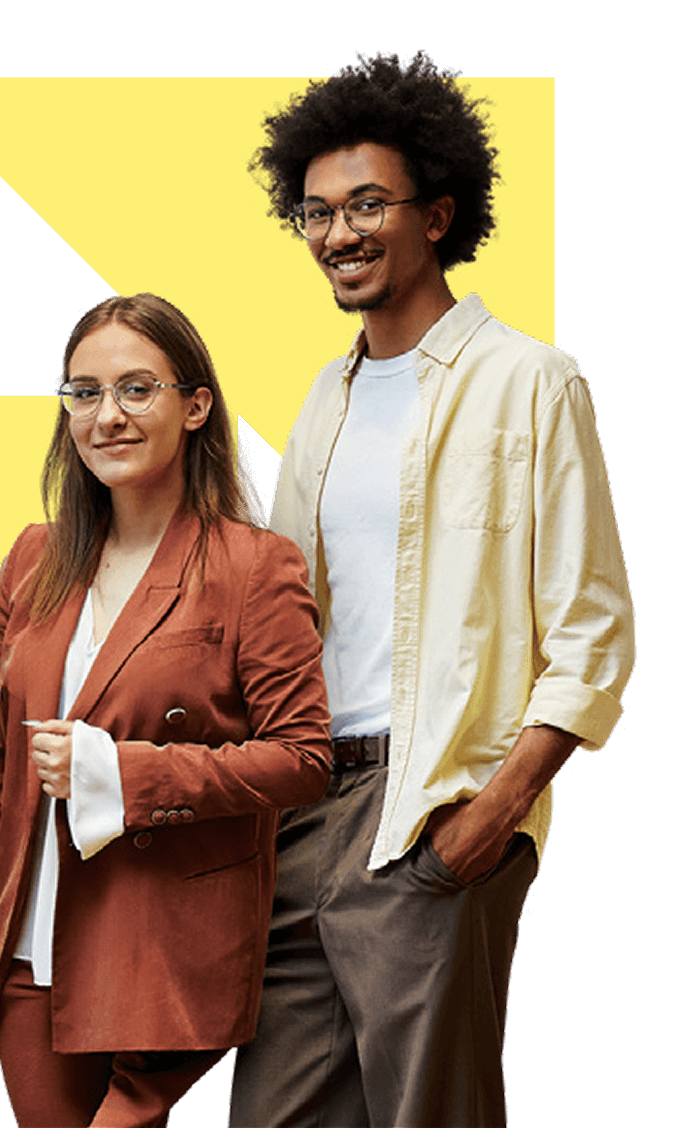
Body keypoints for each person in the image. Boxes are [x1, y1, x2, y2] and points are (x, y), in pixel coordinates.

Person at [227, 54, 636, 1128]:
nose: (338, 234)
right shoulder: (322, 395)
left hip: (430, 812)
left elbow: (592, 635)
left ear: (437, 211)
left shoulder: (530, 382)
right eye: (314, 213)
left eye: (366, 204)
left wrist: (490, 818)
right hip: (308, 810)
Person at [0, 293, 333, 1127]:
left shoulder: (254, 566)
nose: (106, 415)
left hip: (168, 944)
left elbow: (304, 757)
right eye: (83, 393)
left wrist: (124, 772)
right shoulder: (34, 559)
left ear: (196, 406)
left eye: (136, 389)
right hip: (31, 949)